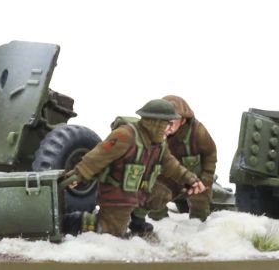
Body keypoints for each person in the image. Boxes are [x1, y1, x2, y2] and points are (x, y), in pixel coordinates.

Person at [63, 99, 206, 237]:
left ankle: (137, 221)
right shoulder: (125, 135)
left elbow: (171, 165)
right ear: (154, 122)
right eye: (167, 124)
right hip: (118, 194)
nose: (171, 129)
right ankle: (73, 221)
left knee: (161, 194)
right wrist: (78, 174)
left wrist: (190, 179)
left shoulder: (159, 143)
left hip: (139, 191)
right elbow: (98, 156)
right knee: (111, 232)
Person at [140, 95, 217, 223]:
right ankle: (160, 223)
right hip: (166, 177)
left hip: (193, 177)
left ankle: (198, 224)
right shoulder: (153, 132)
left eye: (171, 122)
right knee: (155, 197)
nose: (166, 126)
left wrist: (206, 177)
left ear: (183, 121)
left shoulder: (198, 132)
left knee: (200, 203)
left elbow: (210, 154)